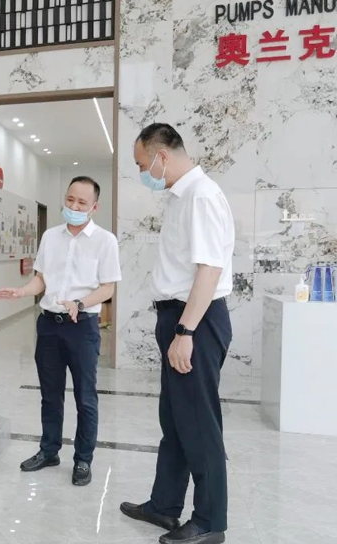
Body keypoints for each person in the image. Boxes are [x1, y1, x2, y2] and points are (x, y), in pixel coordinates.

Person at [120, 123, 235, 544]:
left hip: (195, 320)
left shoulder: (201, 195)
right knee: (175, 419)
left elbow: (210, 269)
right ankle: (164, 505)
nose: (142, 172)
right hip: (178, 317)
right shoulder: (181, 197)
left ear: (162, 156)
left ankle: (210, 521)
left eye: (141, 164)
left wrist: (185, 331)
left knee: (199, 422)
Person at [0, 176, 121, 486]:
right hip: (49, 325)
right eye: (69, 199)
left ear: (94, 207)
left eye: (81, 202)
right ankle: (49, 451)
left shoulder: (105, 241)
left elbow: (108, 288)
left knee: (85, 397)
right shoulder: (51, 237)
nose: (74, 206)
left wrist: (80, 302)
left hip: (82, 326)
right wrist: (22, 291)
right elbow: (41, 279)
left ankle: (83, 459)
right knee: (50, 395)